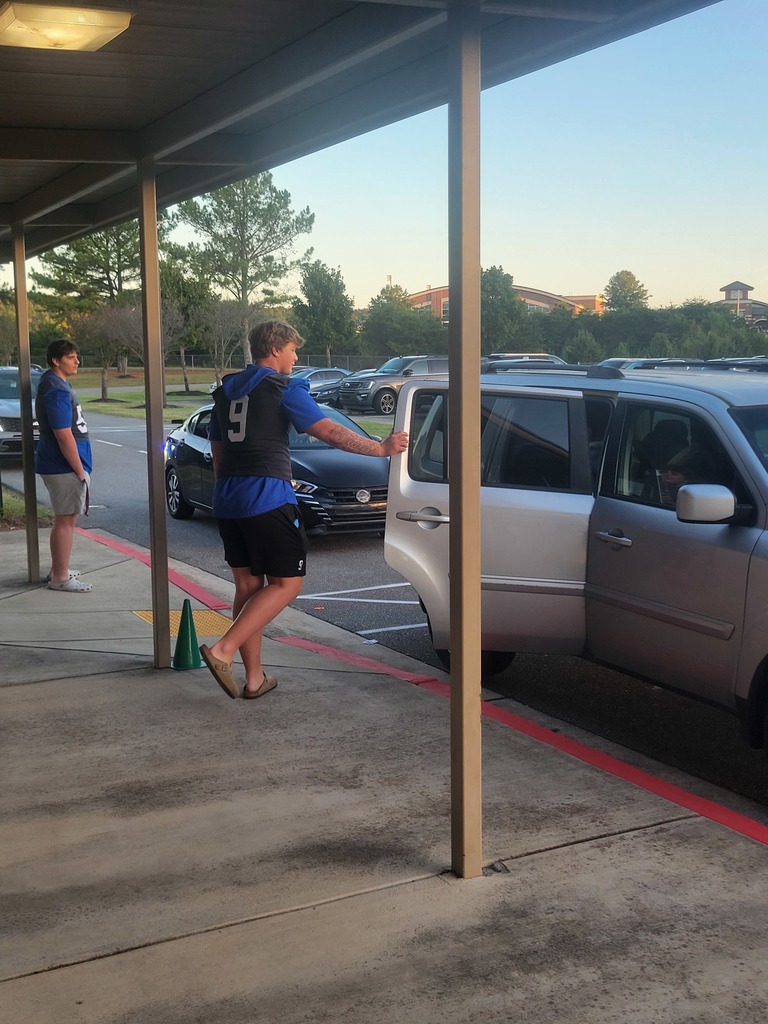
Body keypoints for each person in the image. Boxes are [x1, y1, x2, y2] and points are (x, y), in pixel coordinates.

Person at [200, 320, 409, 700]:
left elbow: (218, 453)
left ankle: (255, 678)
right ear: (276, 348)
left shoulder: (225, 392)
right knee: (287, 584)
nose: (296, 357)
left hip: (228, 498)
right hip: (266, 496)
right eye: (293, 349)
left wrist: (231, 490)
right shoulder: (283, 387)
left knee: (248, 586)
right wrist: (379, 448)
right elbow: (328, 431)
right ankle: (222, 651)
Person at [35, 338, 93, 592]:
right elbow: (62, 433)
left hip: (62, 465)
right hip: (63, 465)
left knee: (67, 518)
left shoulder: (56, 383)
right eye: (71, 357)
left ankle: (59, 568)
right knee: (66, 520)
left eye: (76, 356)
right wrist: (79, 469)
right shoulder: (56, 389)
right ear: (56, 360)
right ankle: (60, 577)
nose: (77, 360)